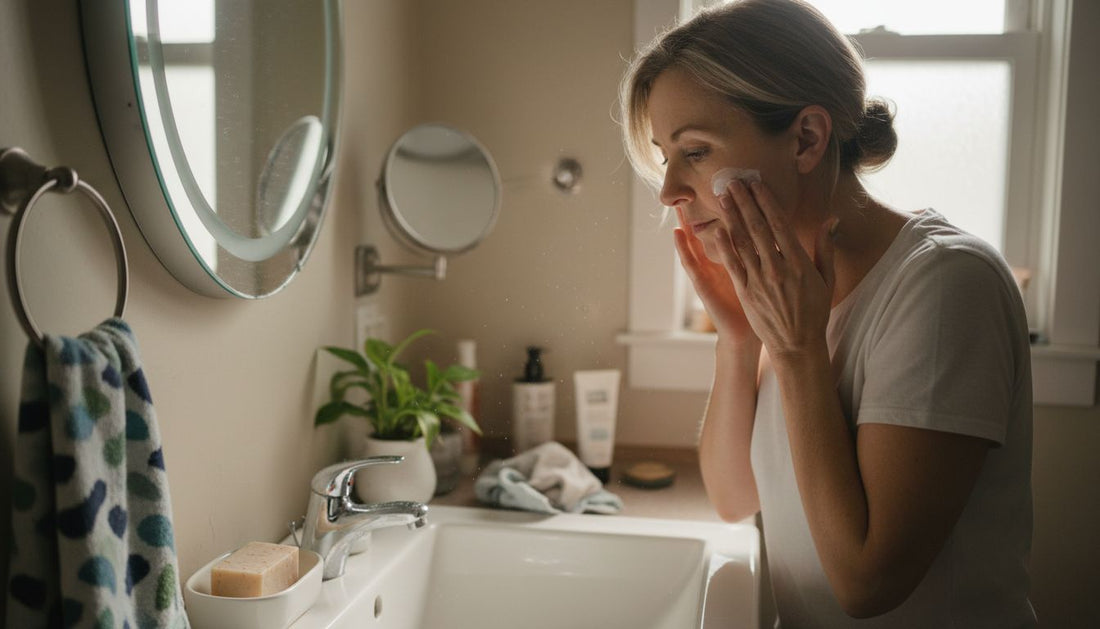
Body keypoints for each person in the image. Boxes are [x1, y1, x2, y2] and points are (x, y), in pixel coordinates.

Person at [619, 1, 1036, 626]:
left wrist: (795, 351)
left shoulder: (946, 286)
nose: (669, 189)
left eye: (697, 152)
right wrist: (739, 340)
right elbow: (736, 498)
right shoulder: (791, 292)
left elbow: (867, 583)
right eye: (665, 155)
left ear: (807, 139)